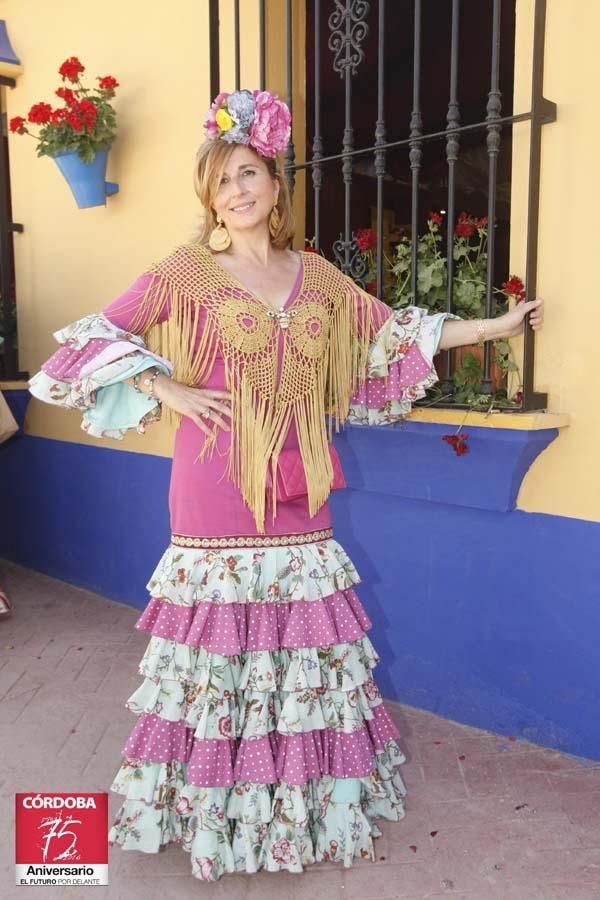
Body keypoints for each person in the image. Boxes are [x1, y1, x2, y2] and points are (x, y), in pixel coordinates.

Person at [29, 89, 543, 882]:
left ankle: (296, 809)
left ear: (275, 184)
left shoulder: (320, 277)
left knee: (301, 648)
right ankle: (211, 814)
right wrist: (169, 389)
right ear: (210, 199)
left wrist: (495, 328)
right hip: (214, 481)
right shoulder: (185, 273)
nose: (236, 192)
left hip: (301, 488)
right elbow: (94, 334)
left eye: (248, 174)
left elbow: (393, 329)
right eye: (221, 182)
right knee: (217, 657)